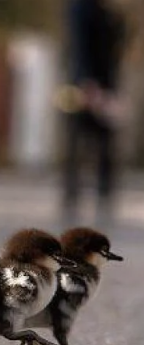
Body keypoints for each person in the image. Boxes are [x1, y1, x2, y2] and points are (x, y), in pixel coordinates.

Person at [62, 0, 126, 228]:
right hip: (85, 87)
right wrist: (88, 84)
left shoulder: (108, 12)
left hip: (105, 86)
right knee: (79, 140)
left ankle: (103, 193)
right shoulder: (81, 8)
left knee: (103, 142)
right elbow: (80, 48)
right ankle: (72, 195)